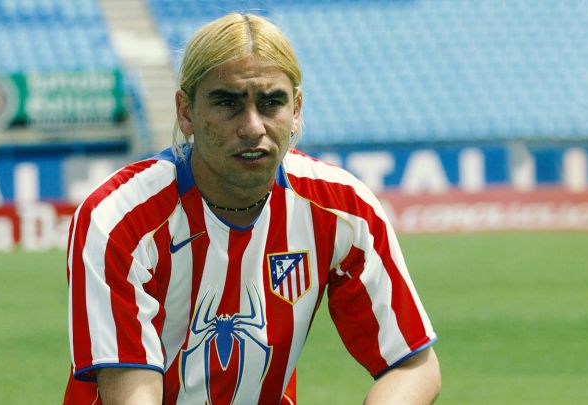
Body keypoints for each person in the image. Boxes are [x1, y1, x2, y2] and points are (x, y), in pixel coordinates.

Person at [63, 12, 440, 405]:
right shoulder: (118, 219)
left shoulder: (343, 208)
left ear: (295, 110)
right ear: (186, 111)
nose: (253, 126)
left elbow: (412, 364)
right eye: (228, 103)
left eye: (271, 102)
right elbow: (132, 395)